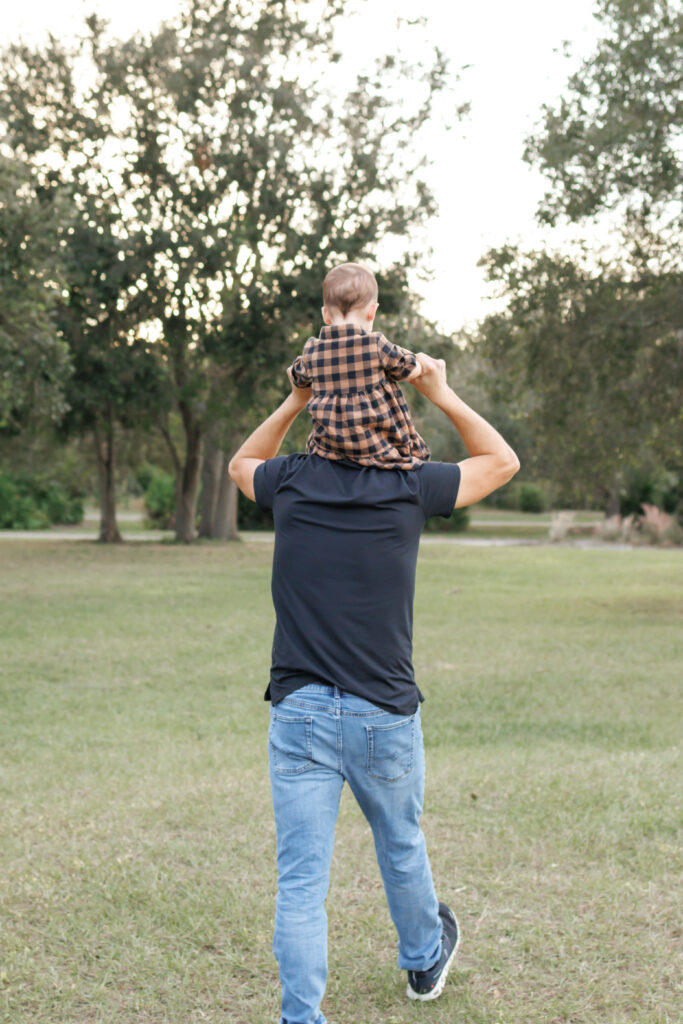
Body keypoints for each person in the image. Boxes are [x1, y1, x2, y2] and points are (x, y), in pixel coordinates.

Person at [229, 350, 519, 1024]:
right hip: (381, 713)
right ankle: (423, 960)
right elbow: (500, 461)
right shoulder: (411, 483)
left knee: (300, 882)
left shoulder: (292, 481)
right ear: (389, 417)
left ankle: (300, 1019)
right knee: (399, 840)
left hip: (298, 710)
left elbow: (241, 464)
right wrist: (440, 392)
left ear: (321, 419)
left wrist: (294, 399)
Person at [289, 262, 430, 469]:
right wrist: (422, 365)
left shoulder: (312, 350)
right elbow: (406, 367)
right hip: (380, 449)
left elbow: (297, 378)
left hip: (330, 451)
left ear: (326, 314)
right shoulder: (375, 344)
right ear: (372, 311)